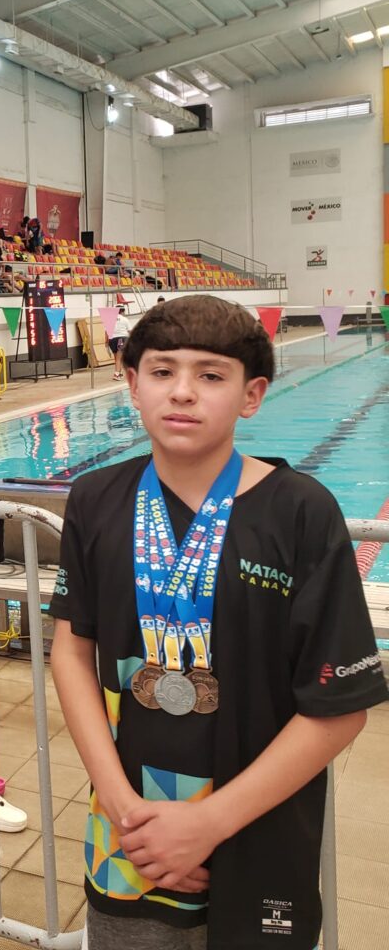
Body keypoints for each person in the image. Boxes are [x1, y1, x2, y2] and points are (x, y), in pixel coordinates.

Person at [48, 295, 385, 950]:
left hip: (257, 832)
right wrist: (121, 807)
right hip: (129, 839)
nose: (182, 392)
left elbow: (339, 707)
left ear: (251, 394)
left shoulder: (300, 514)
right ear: (132, 383)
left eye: (210, 375)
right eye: (163, 370)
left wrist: (208, 825)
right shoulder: (94, 500)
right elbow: (70, 650)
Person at [109, 305, 132, 381]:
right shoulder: (124, 319)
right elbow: (130, 331)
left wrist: (106, 343)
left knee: (117, 358)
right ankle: (116, 374)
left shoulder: (110, 319)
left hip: (112, 339)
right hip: (121, 339)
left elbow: (106, 332)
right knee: (119, 358)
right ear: (122, 311)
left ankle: (119, 372)